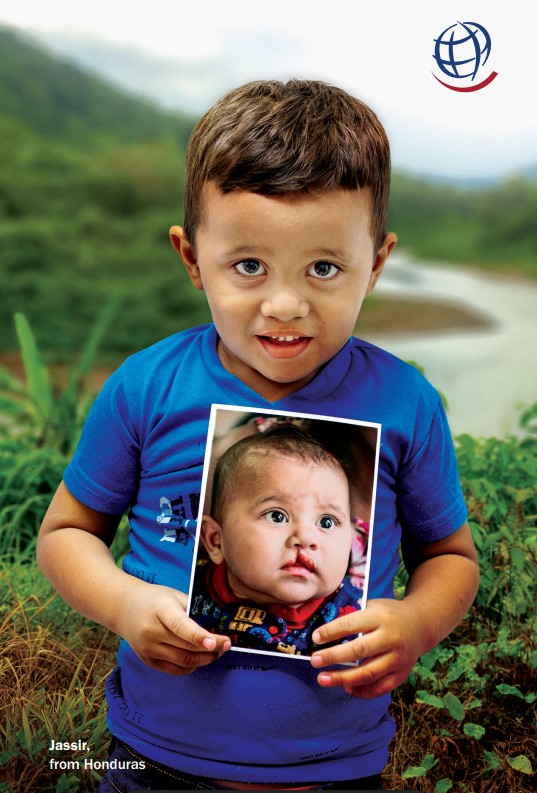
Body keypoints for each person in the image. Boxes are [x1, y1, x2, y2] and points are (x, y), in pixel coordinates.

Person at [37, 79, 479, 791]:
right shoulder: (146, 386)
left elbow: (451, 557)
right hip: (153, 760)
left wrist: (417, 623)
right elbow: (65, 533)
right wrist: (124, 602)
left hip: (336, 770)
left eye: (324, 268)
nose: (284, 304)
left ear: (376, 262)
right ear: (190, 257)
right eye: (248, 266)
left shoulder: (406, 402)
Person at [191, 424, 361, 656]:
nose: (305, 538)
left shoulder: (349, 621)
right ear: (215, 541)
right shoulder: (187, 591)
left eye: (326, 522)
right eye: (277, 516)